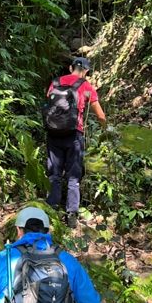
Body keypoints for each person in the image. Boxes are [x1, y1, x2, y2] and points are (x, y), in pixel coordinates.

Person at [45, 56, 106, 228]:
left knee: (54, 174)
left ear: (71, 68)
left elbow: (50, 103)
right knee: (73, 176)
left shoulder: (55, 83)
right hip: (74, 135)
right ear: (86, 71)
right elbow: (100, 115)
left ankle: (52, 211)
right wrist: (105, 130)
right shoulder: (86, 86)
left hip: (53, 133)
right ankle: (71, 215)